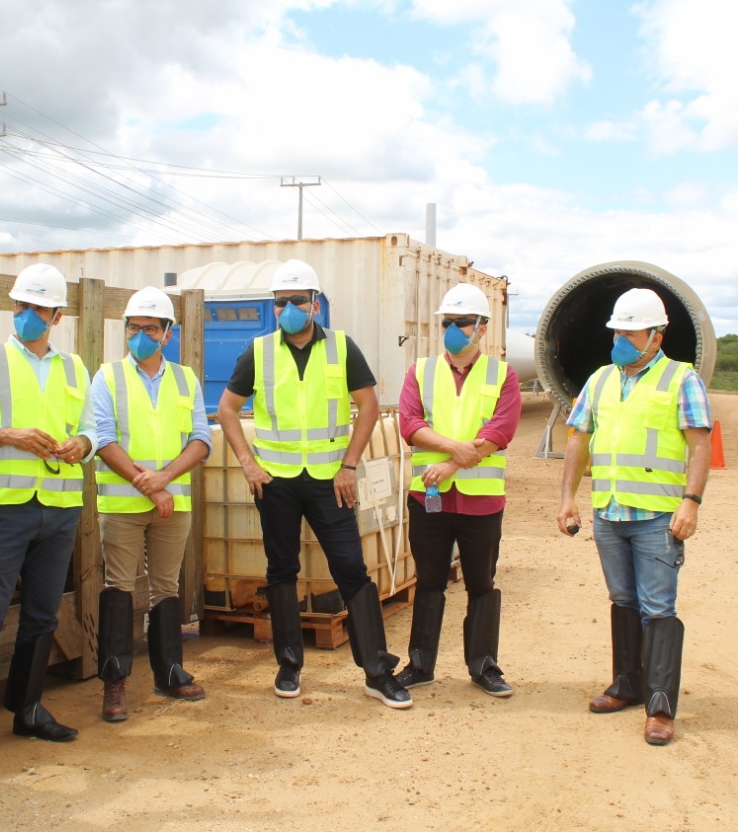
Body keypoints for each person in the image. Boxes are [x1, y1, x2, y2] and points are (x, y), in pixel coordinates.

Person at [217, 259, 412, 709]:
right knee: (281, 571)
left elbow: (367, 407)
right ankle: (289, 665)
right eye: (280, 302)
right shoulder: (259, 352)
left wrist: (349, 466)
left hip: (330, 482)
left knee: (352, 570)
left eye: (297, 301)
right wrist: (247, 463)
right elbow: (227, 410)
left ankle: (377, 671)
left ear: (316, 305)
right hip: (276, 484)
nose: (288, 308)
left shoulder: (343, 348)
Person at [0, 262, 97, 765]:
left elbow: (91, 430)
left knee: (42, 613)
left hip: (58, 509)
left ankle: (27, 708)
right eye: (21, 306)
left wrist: (82, 444)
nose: (27, 315)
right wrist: (7, 435)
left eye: (37, 308)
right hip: (6, 510)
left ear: (56, 315)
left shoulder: (74, 368)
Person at [556, 287, 711, 746]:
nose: (620, 340)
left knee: (658, 607)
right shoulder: (600, 380)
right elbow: (578, 440)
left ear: (656, 338)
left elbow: (700, 444)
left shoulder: (682, 381)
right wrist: (568, 497)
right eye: (616, 332)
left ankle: (660, 706)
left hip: (658, 517)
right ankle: (627, 683)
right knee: (623, 599)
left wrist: (691, 501)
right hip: (609, 512)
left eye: (629, 332)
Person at [90, 286, 212, 722]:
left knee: (167, 589)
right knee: (119, 589)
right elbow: (102, 440)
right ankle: (115, 680)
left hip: (171, 503)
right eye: (133, 327)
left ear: (167, 334)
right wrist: (149, 485)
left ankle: (170, 672)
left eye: (149, 328)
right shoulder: (107, 377)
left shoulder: (185, 379)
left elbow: (201, 439)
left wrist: (164, 480)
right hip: (124, 504)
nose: (139, 334)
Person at [395, 283, 522, 697]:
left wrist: (451, 463)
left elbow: (500, 430)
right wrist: (455, 449)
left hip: (481, 503)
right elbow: (410, 425)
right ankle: (420, 665)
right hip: (428, 500)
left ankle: (484, 666)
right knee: (429, 581)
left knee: (481, 583)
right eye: (447, 322)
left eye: (462, 323)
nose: (453, 329)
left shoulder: (503, 374)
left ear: (482, 328)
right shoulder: (420, 370)